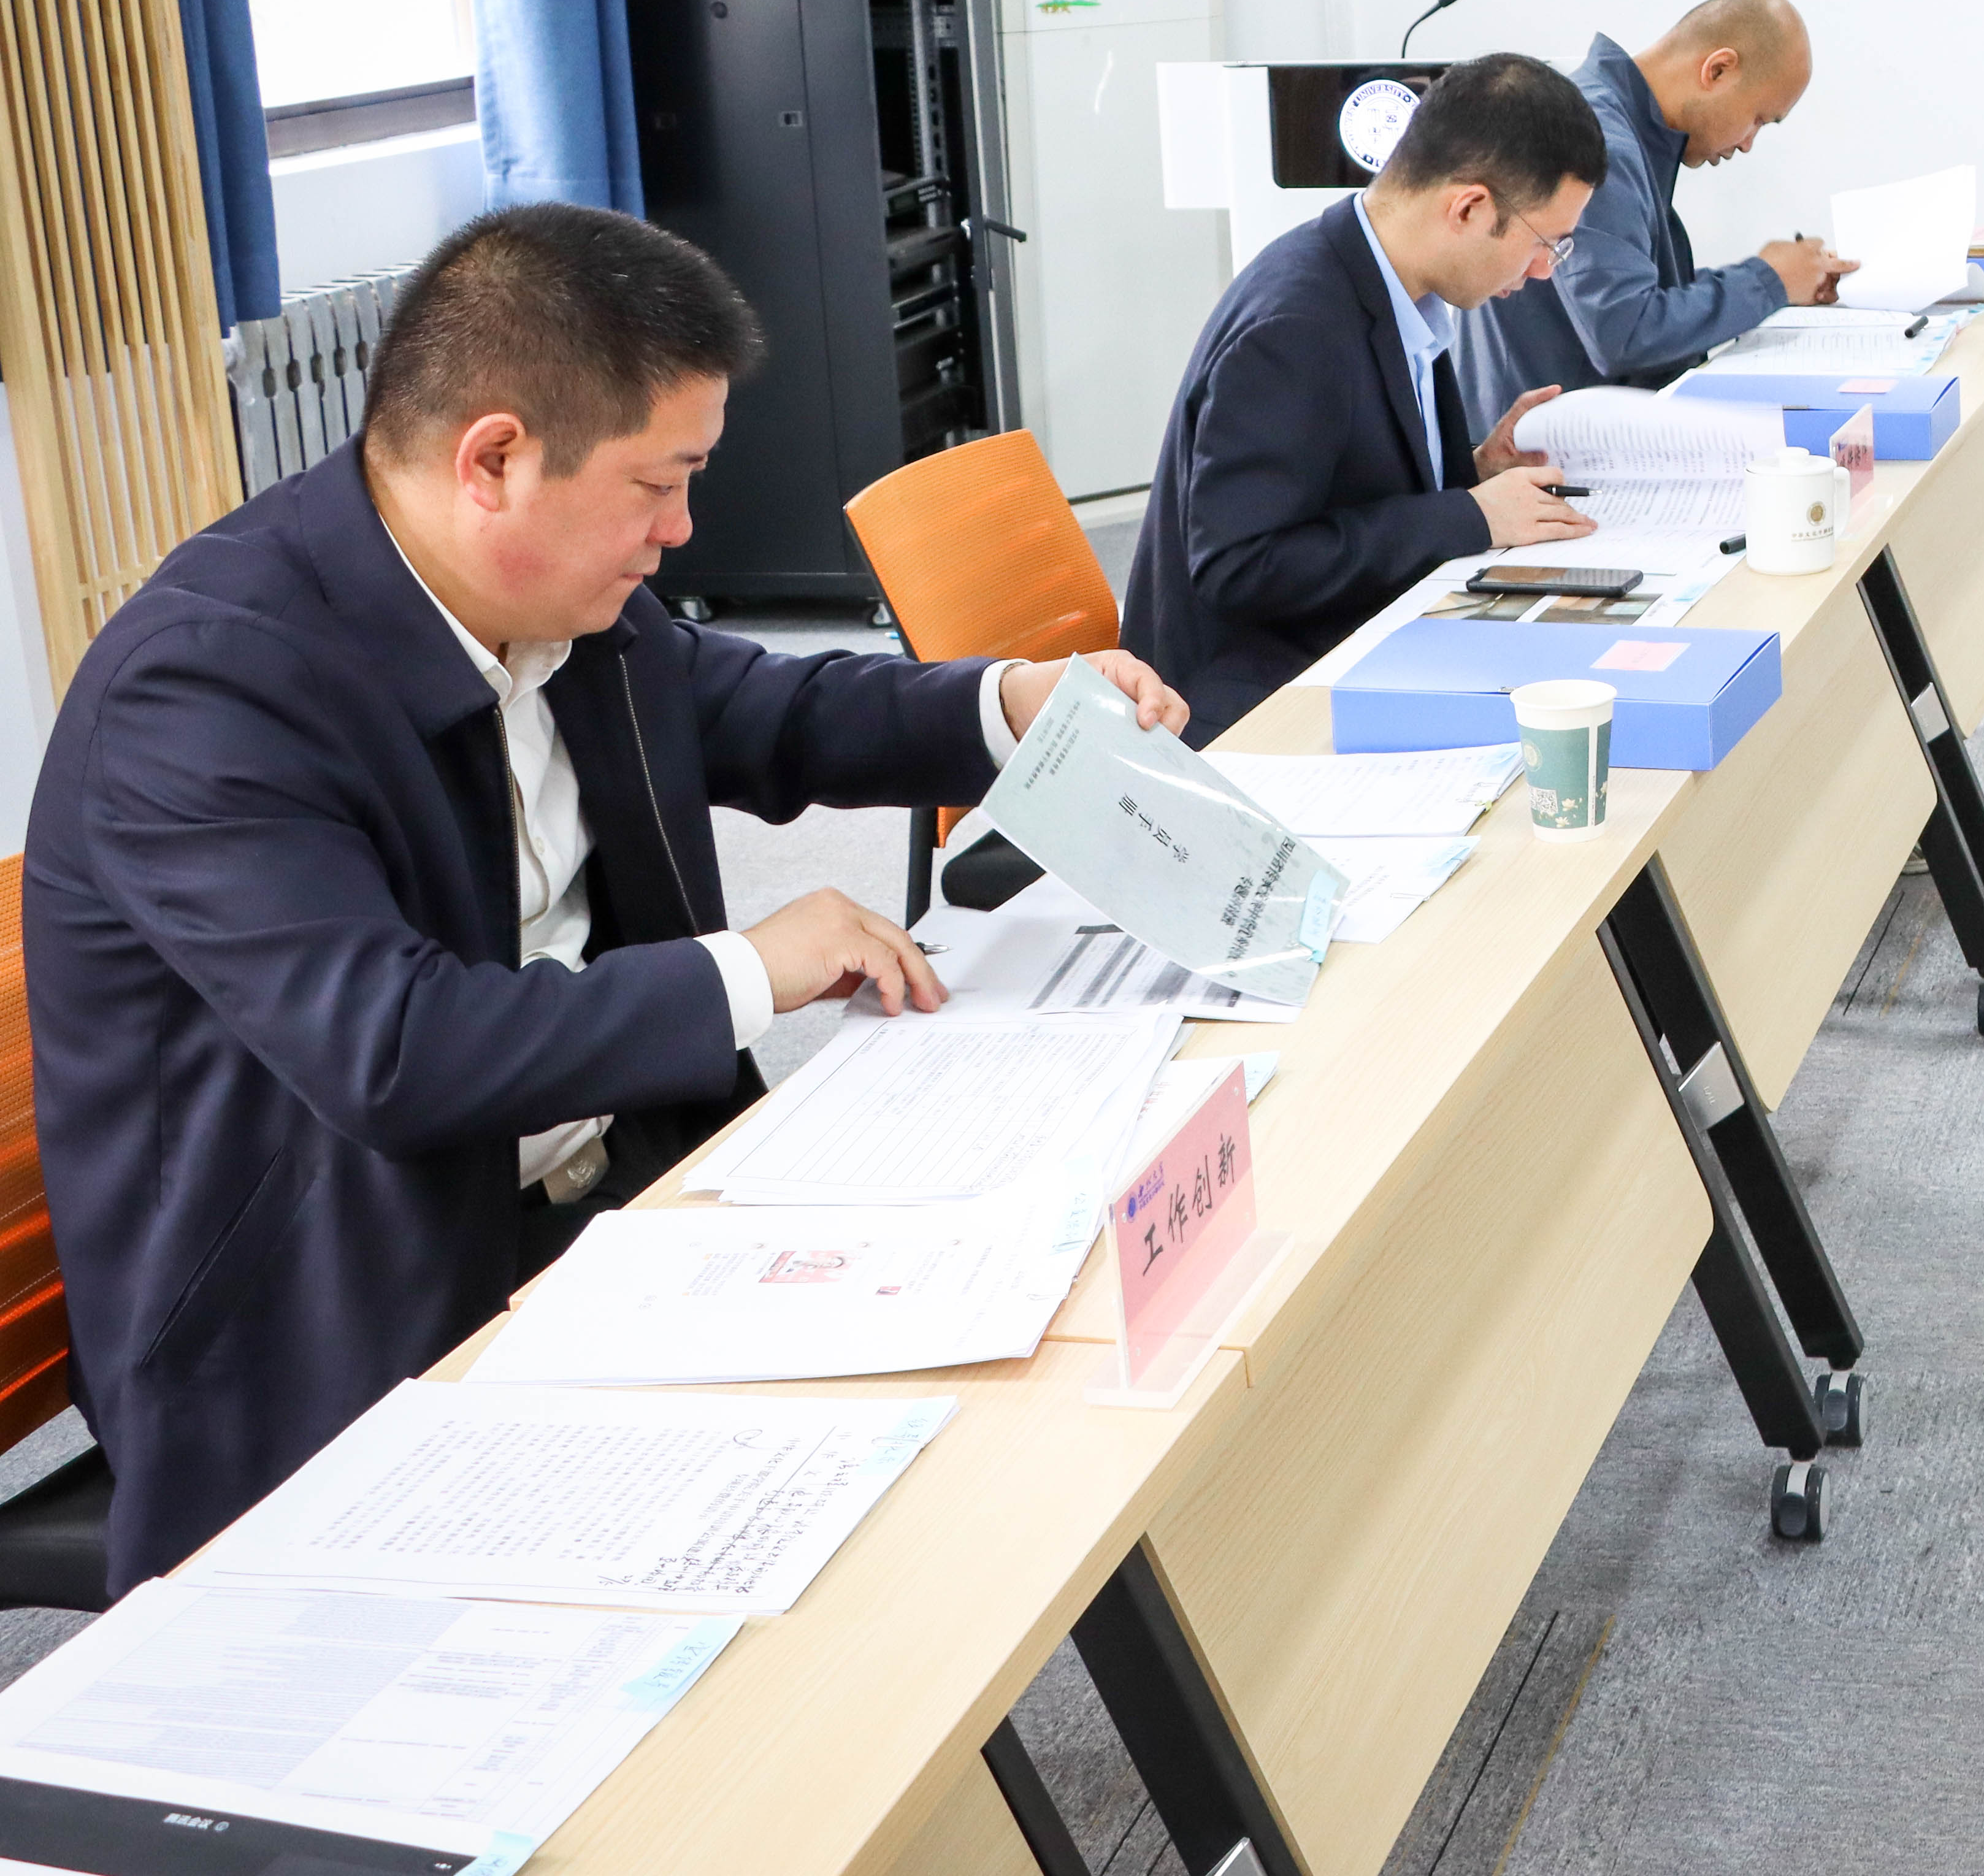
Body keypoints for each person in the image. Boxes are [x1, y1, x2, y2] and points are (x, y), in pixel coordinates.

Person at [26, 208, 1189, 1588]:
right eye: (659, 483)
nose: (682, 529)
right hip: (346, 1306)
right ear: (495, 461)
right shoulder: (207, 690)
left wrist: (1010, 704)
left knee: (1017, 1333)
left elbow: (771, 712)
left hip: (615, 1194)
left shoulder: (564, 600)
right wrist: (750, 967)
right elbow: (395, 1050)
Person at [1125, 52, 1609, 740]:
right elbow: (1239, 567)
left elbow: (1346, 487)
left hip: (1348, 643)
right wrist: (1469, 516)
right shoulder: (1295, 326)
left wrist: (1474, 472)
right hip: (1245, 702)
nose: (1542, 271)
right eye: (1547, 243)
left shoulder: (1393, 282)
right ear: (1469, 208)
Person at [1465, 0, 1852, 408]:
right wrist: (1768, 282)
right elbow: (1623, 332)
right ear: (1717, 70)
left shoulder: (1613, 120)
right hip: (1545, 439)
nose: (1748, 144)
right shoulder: (1599, 139)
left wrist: (1780, 277)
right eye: (1758, 119)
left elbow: (1632, 292)